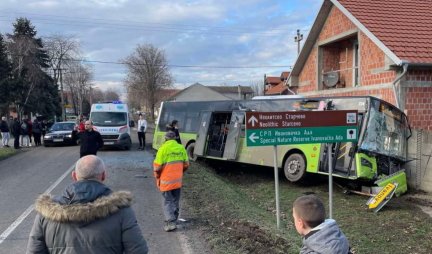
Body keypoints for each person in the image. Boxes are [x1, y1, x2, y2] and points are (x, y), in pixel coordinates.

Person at [26, 155, 148, 254]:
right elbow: (138, 250)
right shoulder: (121, 210)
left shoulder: (47, 212)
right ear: (104, 175)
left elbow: (34, 251)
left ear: (74, 176)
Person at [153, 131, 189, 232]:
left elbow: (157, 167)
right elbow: (186, 164)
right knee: (175, 200)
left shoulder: (163, 149)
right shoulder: (181, 148)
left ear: (166, 138)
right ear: (175, 138)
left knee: (167, 201)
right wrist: (180, 173)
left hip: (166, 181)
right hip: (177, 181)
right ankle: (174, 218)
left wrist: (157, 177)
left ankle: (171, 222)